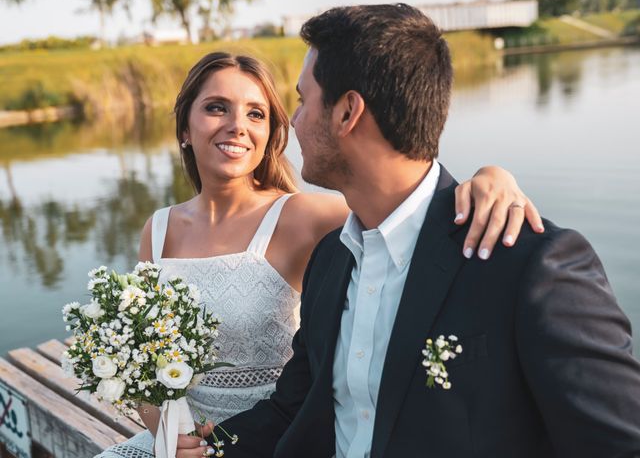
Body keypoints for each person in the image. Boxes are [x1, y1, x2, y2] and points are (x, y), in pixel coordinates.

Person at [185, 4, 640, 458]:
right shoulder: (331, 260)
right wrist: (208, 451)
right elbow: (294, 410)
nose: (293, 122)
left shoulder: (530, 266)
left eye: (303, 101)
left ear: (347, 113)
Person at [96, 50, 543, 458]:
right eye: (217, 108)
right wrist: (171, 440)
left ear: (270, 133)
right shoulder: (157, 230)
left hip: (281, 435)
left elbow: (406, 210)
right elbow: (143, 362)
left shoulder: (304, 215)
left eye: (256, 113)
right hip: (188, 442)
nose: (237, 125)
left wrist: (491, 176)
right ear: (184, 129)